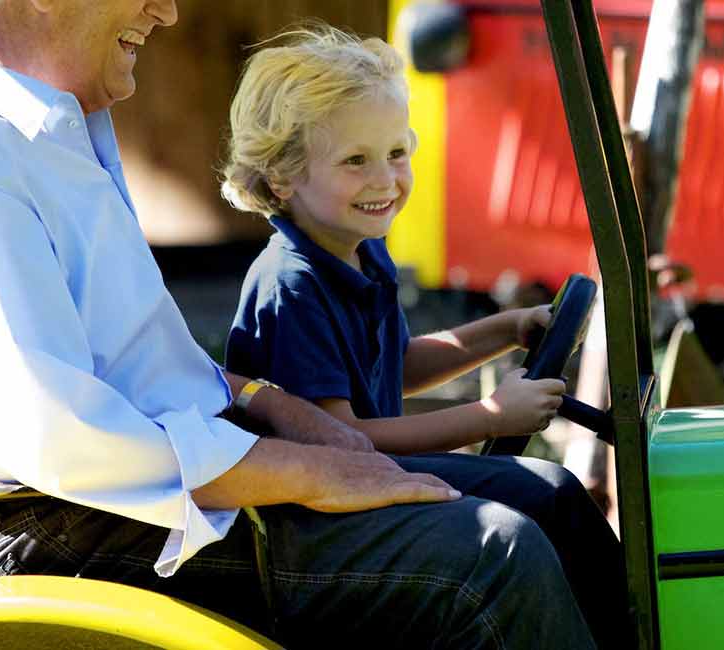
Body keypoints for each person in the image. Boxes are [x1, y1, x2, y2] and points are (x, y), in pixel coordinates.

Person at [0, 1, 619, 647]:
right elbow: (65, 436)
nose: (165, 11)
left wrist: (260, 397)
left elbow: (122, 365)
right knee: (496, 555)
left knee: (544, 495)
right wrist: (307, 470)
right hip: (77, 525)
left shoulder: (43, 127)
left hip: (128, 493)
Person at [219, 28, 632, 648]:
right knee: (539, 493)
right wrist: (488, 414)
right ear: (281, 178)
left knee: (553, 493)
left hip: (369, 472)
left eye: (396, 153)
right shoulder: (292, 286)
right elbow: (345, 437)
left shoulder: (361, 252)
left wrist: (503, 331)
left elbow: (396, 366)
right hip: (318, 506)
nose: (385, 179)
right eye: (355, 160)